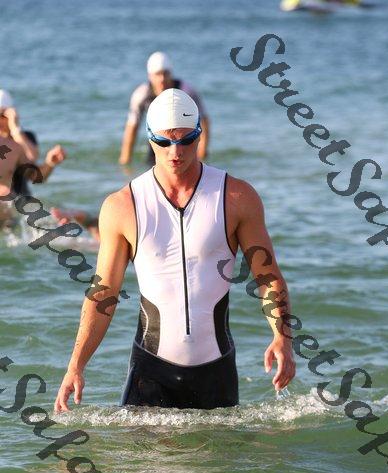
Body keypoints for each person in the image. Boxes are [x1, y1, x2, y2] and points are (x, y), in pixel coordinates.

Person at [54, 88, 295, 413]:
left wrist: (282, 338)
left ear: (200, 134)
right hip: (150, 372)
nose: (175, 152)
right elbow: (104, 292)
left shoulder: (236, 197)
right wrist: (76, 365)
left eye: (186, 140)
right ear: (150, 139)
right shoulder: (123, 206)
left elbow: (268, 277)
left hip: (216, 371)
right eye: (164, 142)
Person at [119, 52, 209, 166]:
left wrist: (202, 150)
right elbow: (132, 126)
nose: (162, 79)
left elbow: (203, 120)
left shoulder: (186, 91)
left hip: (184, 142)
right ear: (150, 76)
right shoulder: (141, 95)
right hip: (160, 142)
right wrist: (126, 159)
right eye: (157, 74)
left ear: (171, 73)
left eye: (165, 73)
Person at [0, 89, 66, 227]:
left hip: (17, 206)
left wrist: (50, 164)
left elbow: (35, 173)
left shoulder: (25, 139)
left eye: (3, 115)